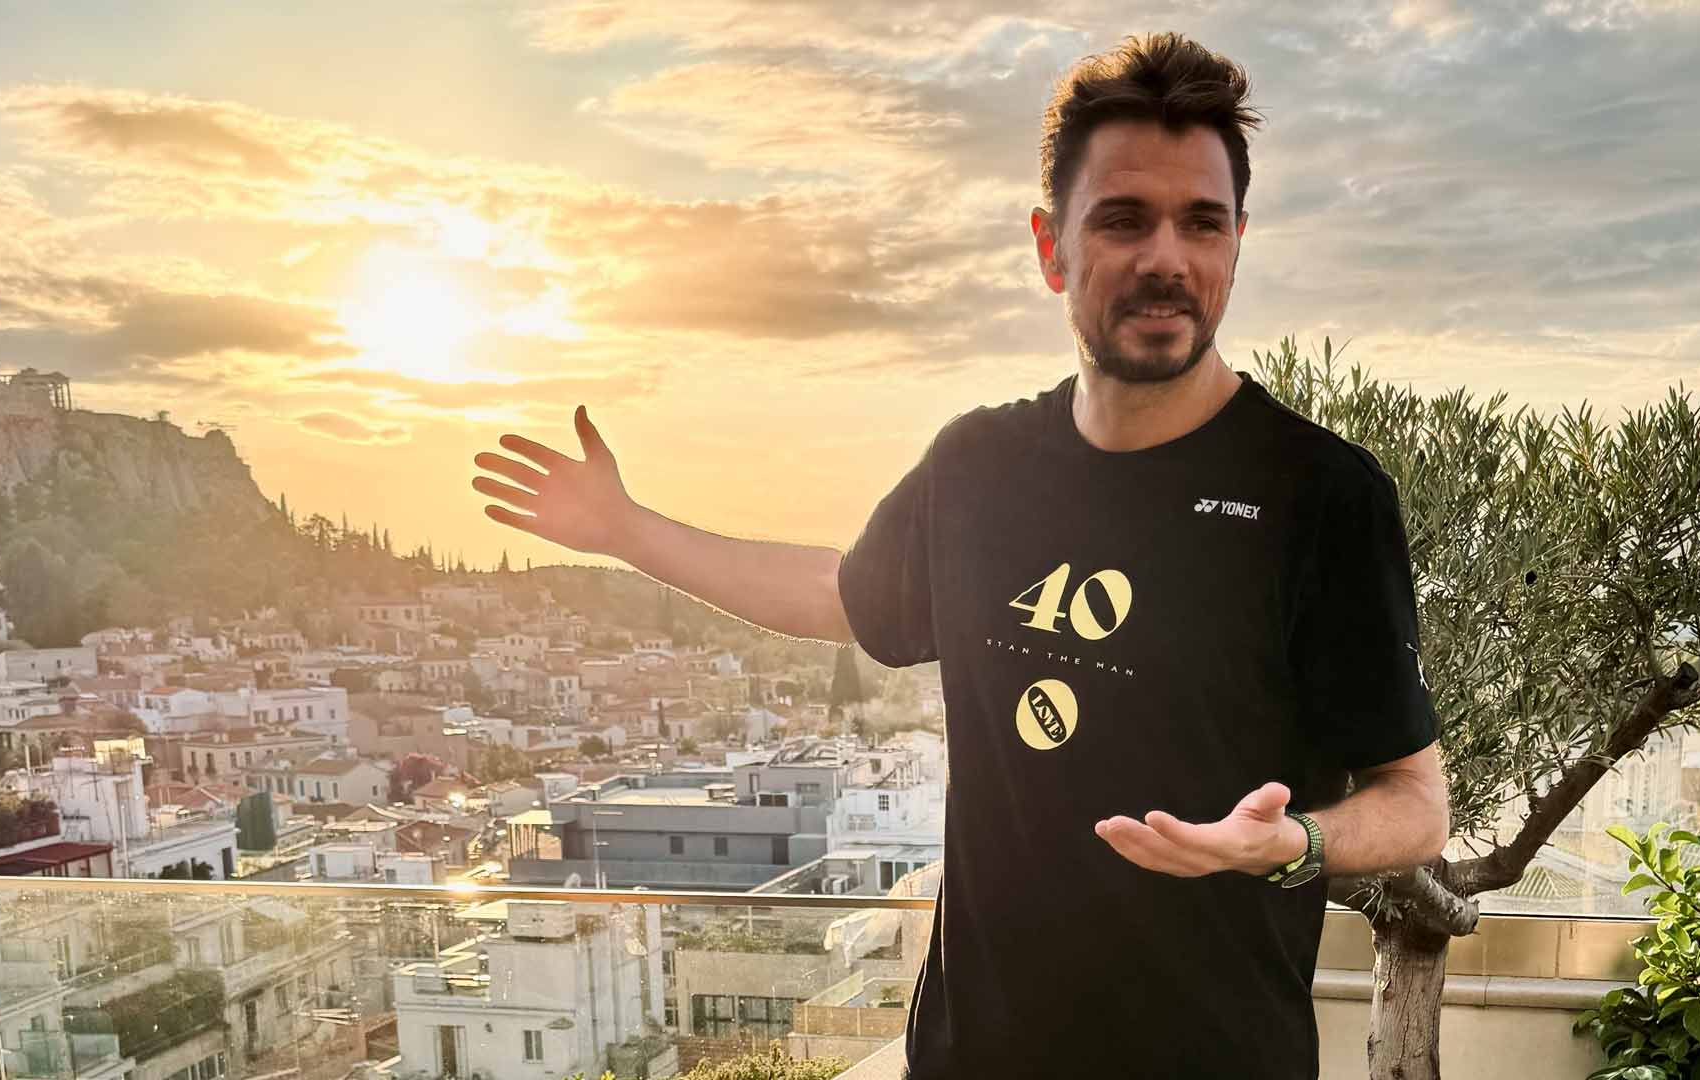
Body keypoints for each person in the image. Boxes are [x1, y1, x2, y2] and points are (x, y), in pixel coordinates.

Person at [471, 30, 1449, 1080]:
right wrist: (627, 530)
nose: (1166, 256)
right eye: (1123, 219)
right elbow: (832, 594)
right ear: (1050, 248)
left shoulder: (1321, 497)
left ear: (1237, 245)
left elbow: (1417, 800)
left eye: (1201, 223)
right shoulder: (978, 462)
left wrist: (1290, 844)